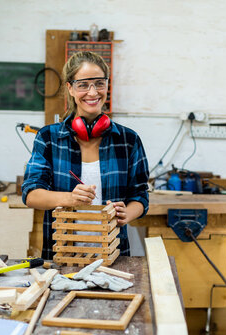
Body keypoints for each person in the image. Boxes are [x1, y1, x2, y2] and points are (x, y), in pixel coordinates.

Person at [22, 51, 149, 259]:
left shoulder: (128, 140)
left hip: (113, 256)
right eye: (83, 85)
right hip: (62, 255)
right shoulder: (48, 138)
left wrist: (128, 213)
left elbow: (141, 196)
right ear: (70, 88)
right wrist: (70, 198)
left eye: (99, 83)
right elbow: (31, 194)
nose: (92, 92)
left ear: (107, 85)